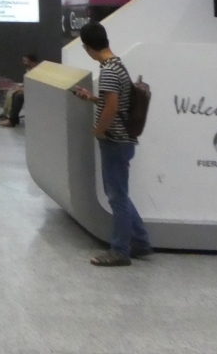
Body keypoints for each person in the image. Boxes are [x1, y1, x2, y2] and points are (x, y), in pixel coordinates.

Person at [71, 21, 151, 267]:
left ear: (87, 47)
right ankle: (140, 241)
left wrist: (99, 131)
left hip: (115, 140)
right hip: (123, 139)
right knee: (120, 194)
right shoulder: (118, 65)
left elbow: (112, 107)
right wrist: (93, 98)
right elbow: (114, 102)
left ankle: (120, 250)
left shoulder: (108, 71)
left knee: (116, 197)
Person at [0, 53, 39, 127]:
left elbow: (35, 86)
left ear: (32, 62)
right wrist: (20, 87)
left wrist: (22, 89)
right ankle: (11, 117)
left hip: (36, 92)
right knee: (14, 93)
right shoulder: (29, 70)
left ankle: (12, 120)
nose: (23, 63)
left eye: (25, 61)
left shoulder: (38, 71)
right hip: (30, 90)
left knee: (18, 96)